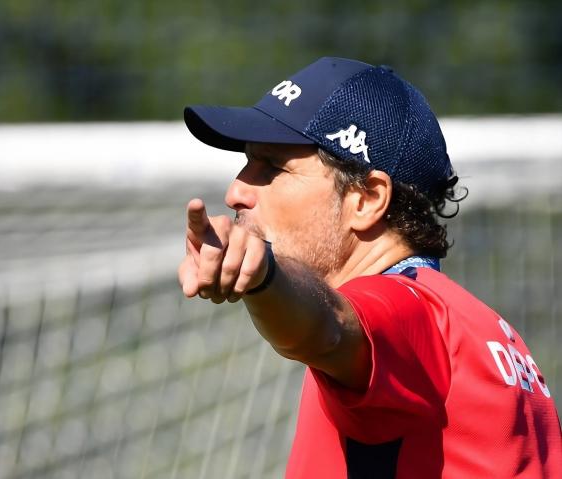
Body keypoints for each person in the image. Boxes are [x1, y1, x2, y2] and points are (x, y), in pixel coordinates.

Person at [178, 57, 561, 478]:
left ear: (367, 199)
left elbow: (328, 331)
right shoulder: (493, 338)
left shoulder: (408, 309)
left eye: (272, 167)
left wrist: (264, 274)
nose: (236, 191)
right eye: (248, 162)